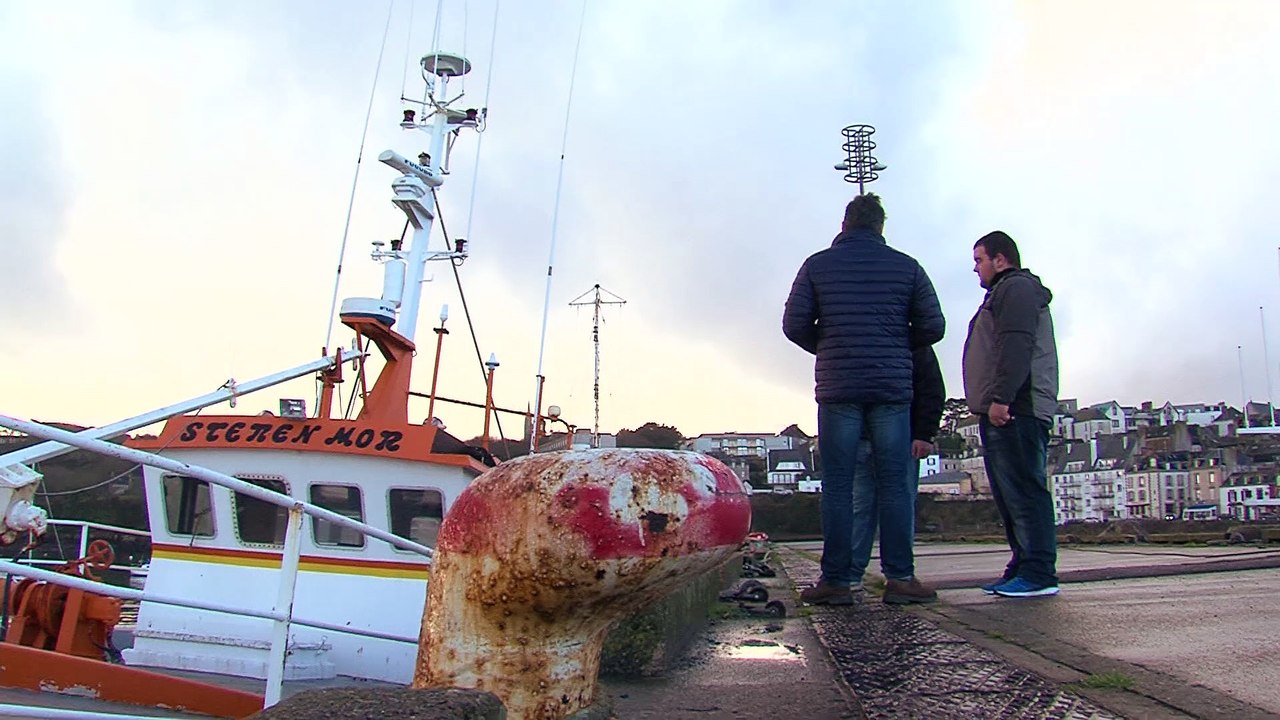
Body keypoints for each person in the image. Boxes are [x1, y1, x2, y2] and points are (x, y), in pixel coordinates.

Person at [783, 193, 945, 606]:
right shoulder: (908, 267)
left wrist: (829, 347)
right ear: (880, 227)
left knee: (839, 486)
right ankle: (901, 579)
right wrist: (894, 346)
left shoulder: (817, 266)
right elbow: (934, 325)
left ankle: (837, 581)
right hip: (892, 390)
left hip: (839, 388)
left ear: (844, 224)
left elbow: (793, 324)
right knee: (895, 486)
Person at [962, 230, 1060, 598]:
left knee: (1023, 490)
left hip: (1017, 409)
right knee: (1010, 492)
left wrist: (1002, 398)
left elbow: (1017, 342)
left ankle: (1038, 572)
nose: (976, 269)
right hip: (1005, 408)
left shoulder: (1015, 289)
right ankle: (1023, 564)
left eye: (979, 260)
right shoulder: (1004, 293)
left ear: (1000, 259)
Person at [847, 345, 945, 603]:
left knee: (866, 508)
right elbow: (932, 387)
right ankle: (896, 577)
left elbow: (931, 386)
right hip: (886, 436)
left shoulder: (854, 336)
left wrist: (924, 433)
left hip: (876, 436)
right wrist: (924, 432)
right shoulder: (910, 338)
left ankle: (855, 576)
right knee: (888, 506)